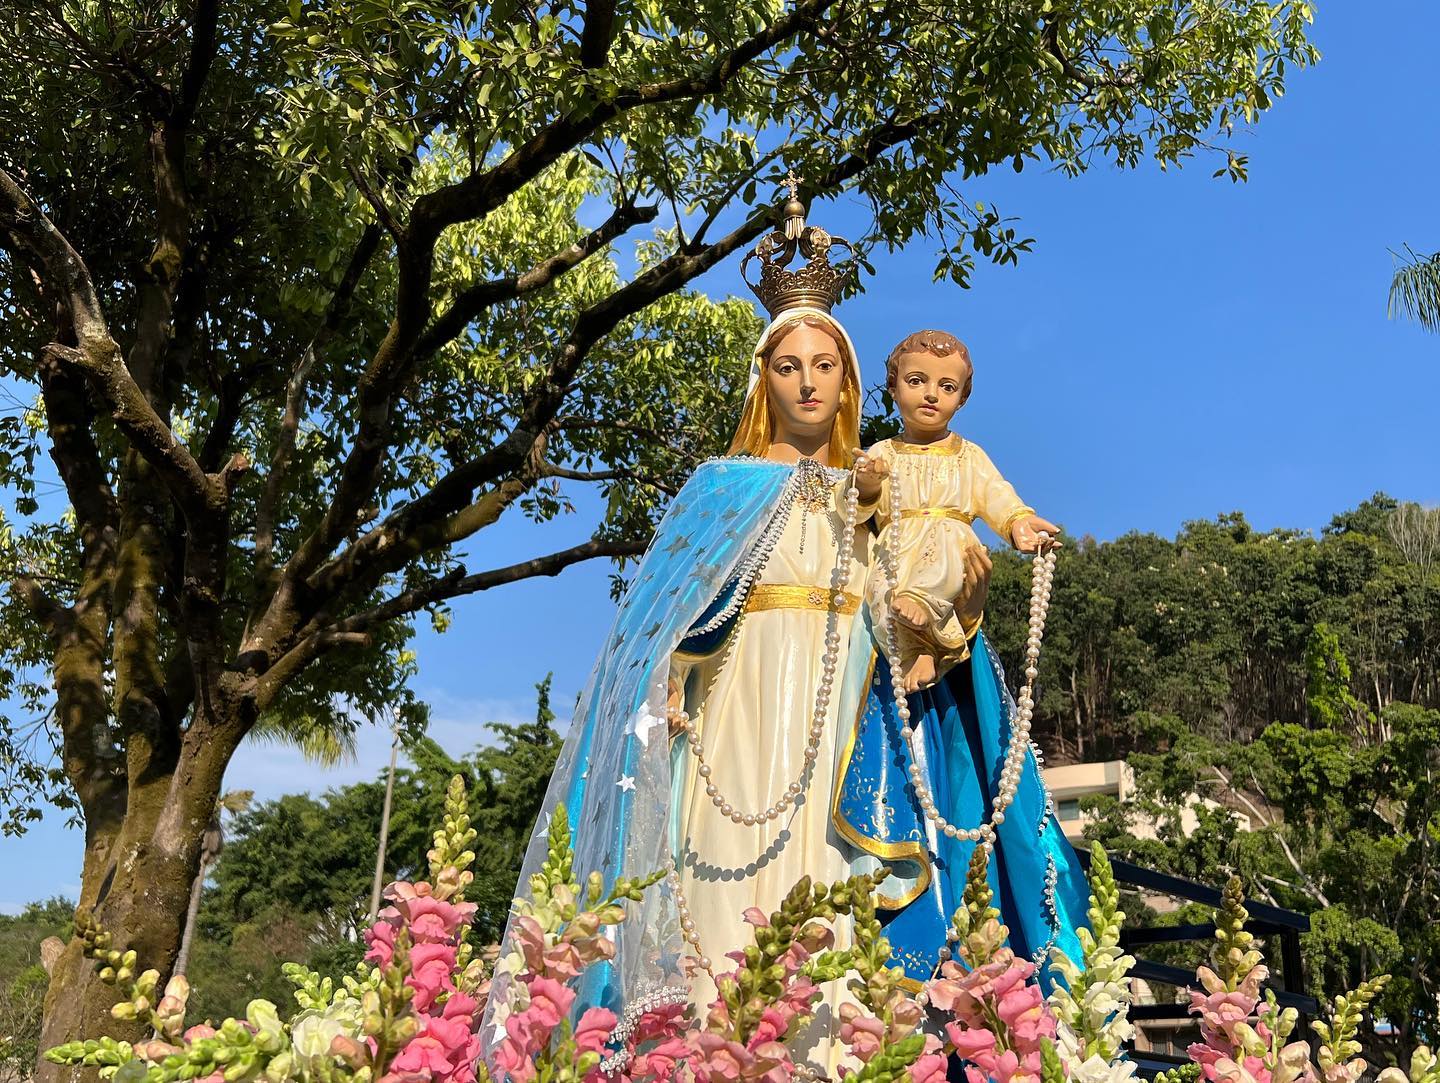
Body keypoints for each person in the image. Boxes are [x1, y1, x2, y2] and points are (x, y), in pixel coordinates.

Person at [488, 195, 1088, 1078]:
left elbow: (915, 597)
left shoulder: (877, 485)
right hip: (733, 718)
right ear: (762, 381)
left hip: (846, 722)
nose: (807, 383)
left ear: (848, 384)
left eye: (825, 367)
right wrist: (666, 688)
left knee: (838, 904)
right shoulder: (721, 486)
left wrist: (954, 595)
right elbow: (662, 622)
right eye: (788, 367)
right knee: (720, 892)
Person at [863, 329, 1060, 692]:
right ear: (893, 388)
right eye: (916, 380)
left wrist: (1018, 522)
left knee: (947, 545)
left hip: (948, 544)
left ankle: (927, 616)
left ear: (962, 399)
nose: (931, 394)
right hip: (895, 550)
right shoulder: (881, 453)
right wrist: (867, 482)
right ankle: (917, 655)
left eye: (947, 387)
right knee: (878, 590)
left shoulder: (968, 455)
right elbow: (857, 506)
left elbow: (995, 493)